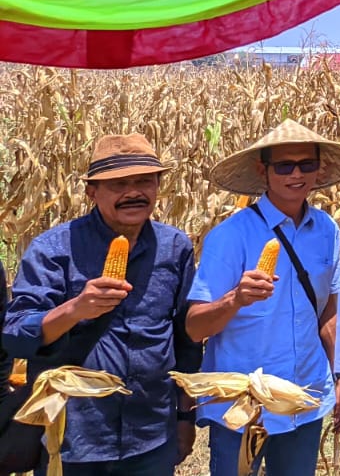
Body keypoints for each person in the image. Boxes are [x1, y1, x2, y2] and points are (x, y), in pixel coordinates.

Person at [2, 135, 202, 475]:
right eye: (118, 184)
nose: (133, 193)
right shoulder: (54, 249)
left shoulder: (174, 247)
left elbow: (185, 341)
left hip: (151, 435)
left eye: (144, 181)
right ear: (91, 191)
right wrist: (76, 309)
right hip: (71, 435)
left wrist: (185, 418)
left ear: (158, 186)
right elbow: (16, 335)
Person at [186, 121, 340, 475]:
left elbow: (329, 312)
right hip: (243, 404)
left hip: (305, 396)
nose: (296, 174)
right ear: (262, 170)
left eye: (306, 165)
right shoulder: (230, 236)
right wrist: (235, 299)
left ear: (319, 169)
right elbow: (194, 327)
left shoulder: (326, 229)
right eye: (284, 166)